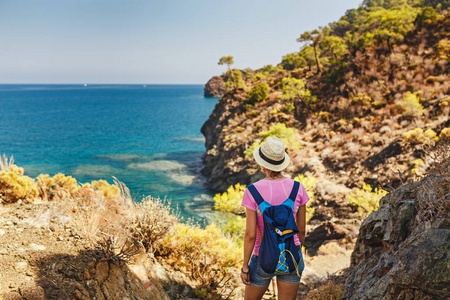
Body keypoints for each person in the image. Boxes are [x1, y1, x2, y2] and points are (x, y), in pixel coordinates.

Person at [240, 136, 310, 300]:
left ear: (262, 164)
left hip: (262, 259)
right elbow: (302, 230)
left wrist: (245, 267)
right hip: (291, 255)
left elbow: (251, 234)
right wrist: (295, 252)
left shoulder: (252, 191)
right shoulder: (297, 188)